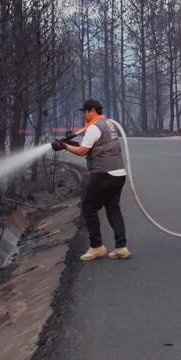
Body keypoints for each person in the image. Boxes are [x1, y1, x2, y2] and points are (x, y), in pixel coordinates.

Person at [54, 99, 130, 261]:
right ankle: (121, 247)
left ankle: (97, 247)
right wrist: (70, 142)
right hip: (119, 173)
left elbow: (82, 151)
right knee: (113, 209)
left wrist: (65, 146)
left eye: (85, 112)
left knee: (89, 209)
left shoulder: (94, 127)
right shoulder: (108, 124)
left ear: (92, 111)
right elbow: (98, 145)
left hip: (103, 174)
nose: (83, 115)